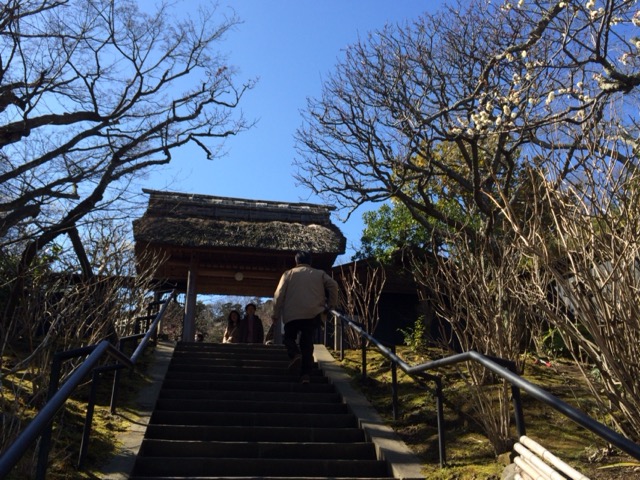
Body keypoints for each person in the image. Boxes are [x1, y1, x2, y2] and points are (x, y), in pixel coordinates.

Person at [271, 251, 339, 383]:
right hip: (313, 313)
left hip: (292, 313)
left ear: (296, 261)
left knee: (289, 338)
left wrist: (275, 313)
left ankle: (295, 354)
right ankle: (305, 375)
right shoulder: (319, 274)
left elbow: (278, 295)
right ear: (310, 261)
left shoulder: (289, 274)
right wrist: (331, 305)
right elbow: (334, 285)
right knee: (307, 343)